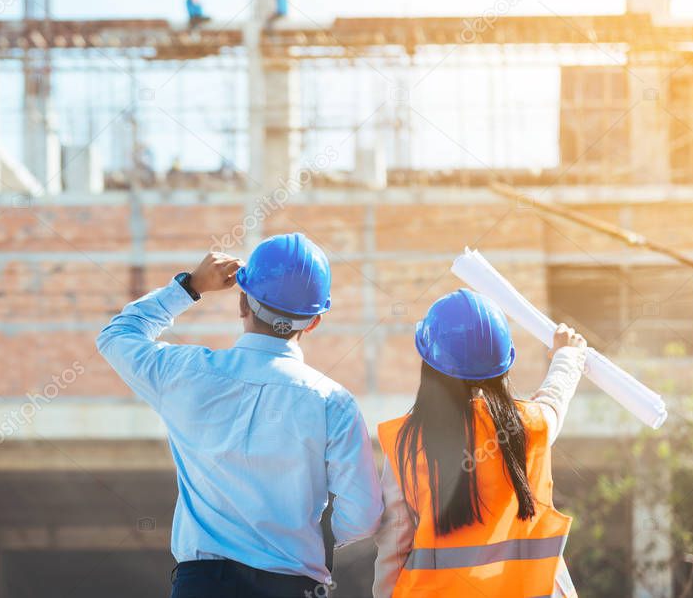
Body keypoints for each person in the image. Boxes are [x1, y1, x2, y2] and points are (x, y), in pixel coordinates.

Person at [97, 233, 383, 598]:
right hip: (295, 587)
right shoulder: (333, 403)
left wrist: (190, 286)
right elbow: (364, 514)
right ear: (313, 321)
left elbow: (118, 335)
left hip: (201, 586)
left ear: (242, 302)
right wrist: (310, 536)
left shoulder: (187, 374)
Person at [372, 289, 586, 597]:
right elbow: (554, 400)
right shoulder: (529, 427)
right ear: (503, 365)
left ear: (429, 364)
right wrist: (568, 356)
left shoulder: (406, 443)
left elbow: (393, 545)